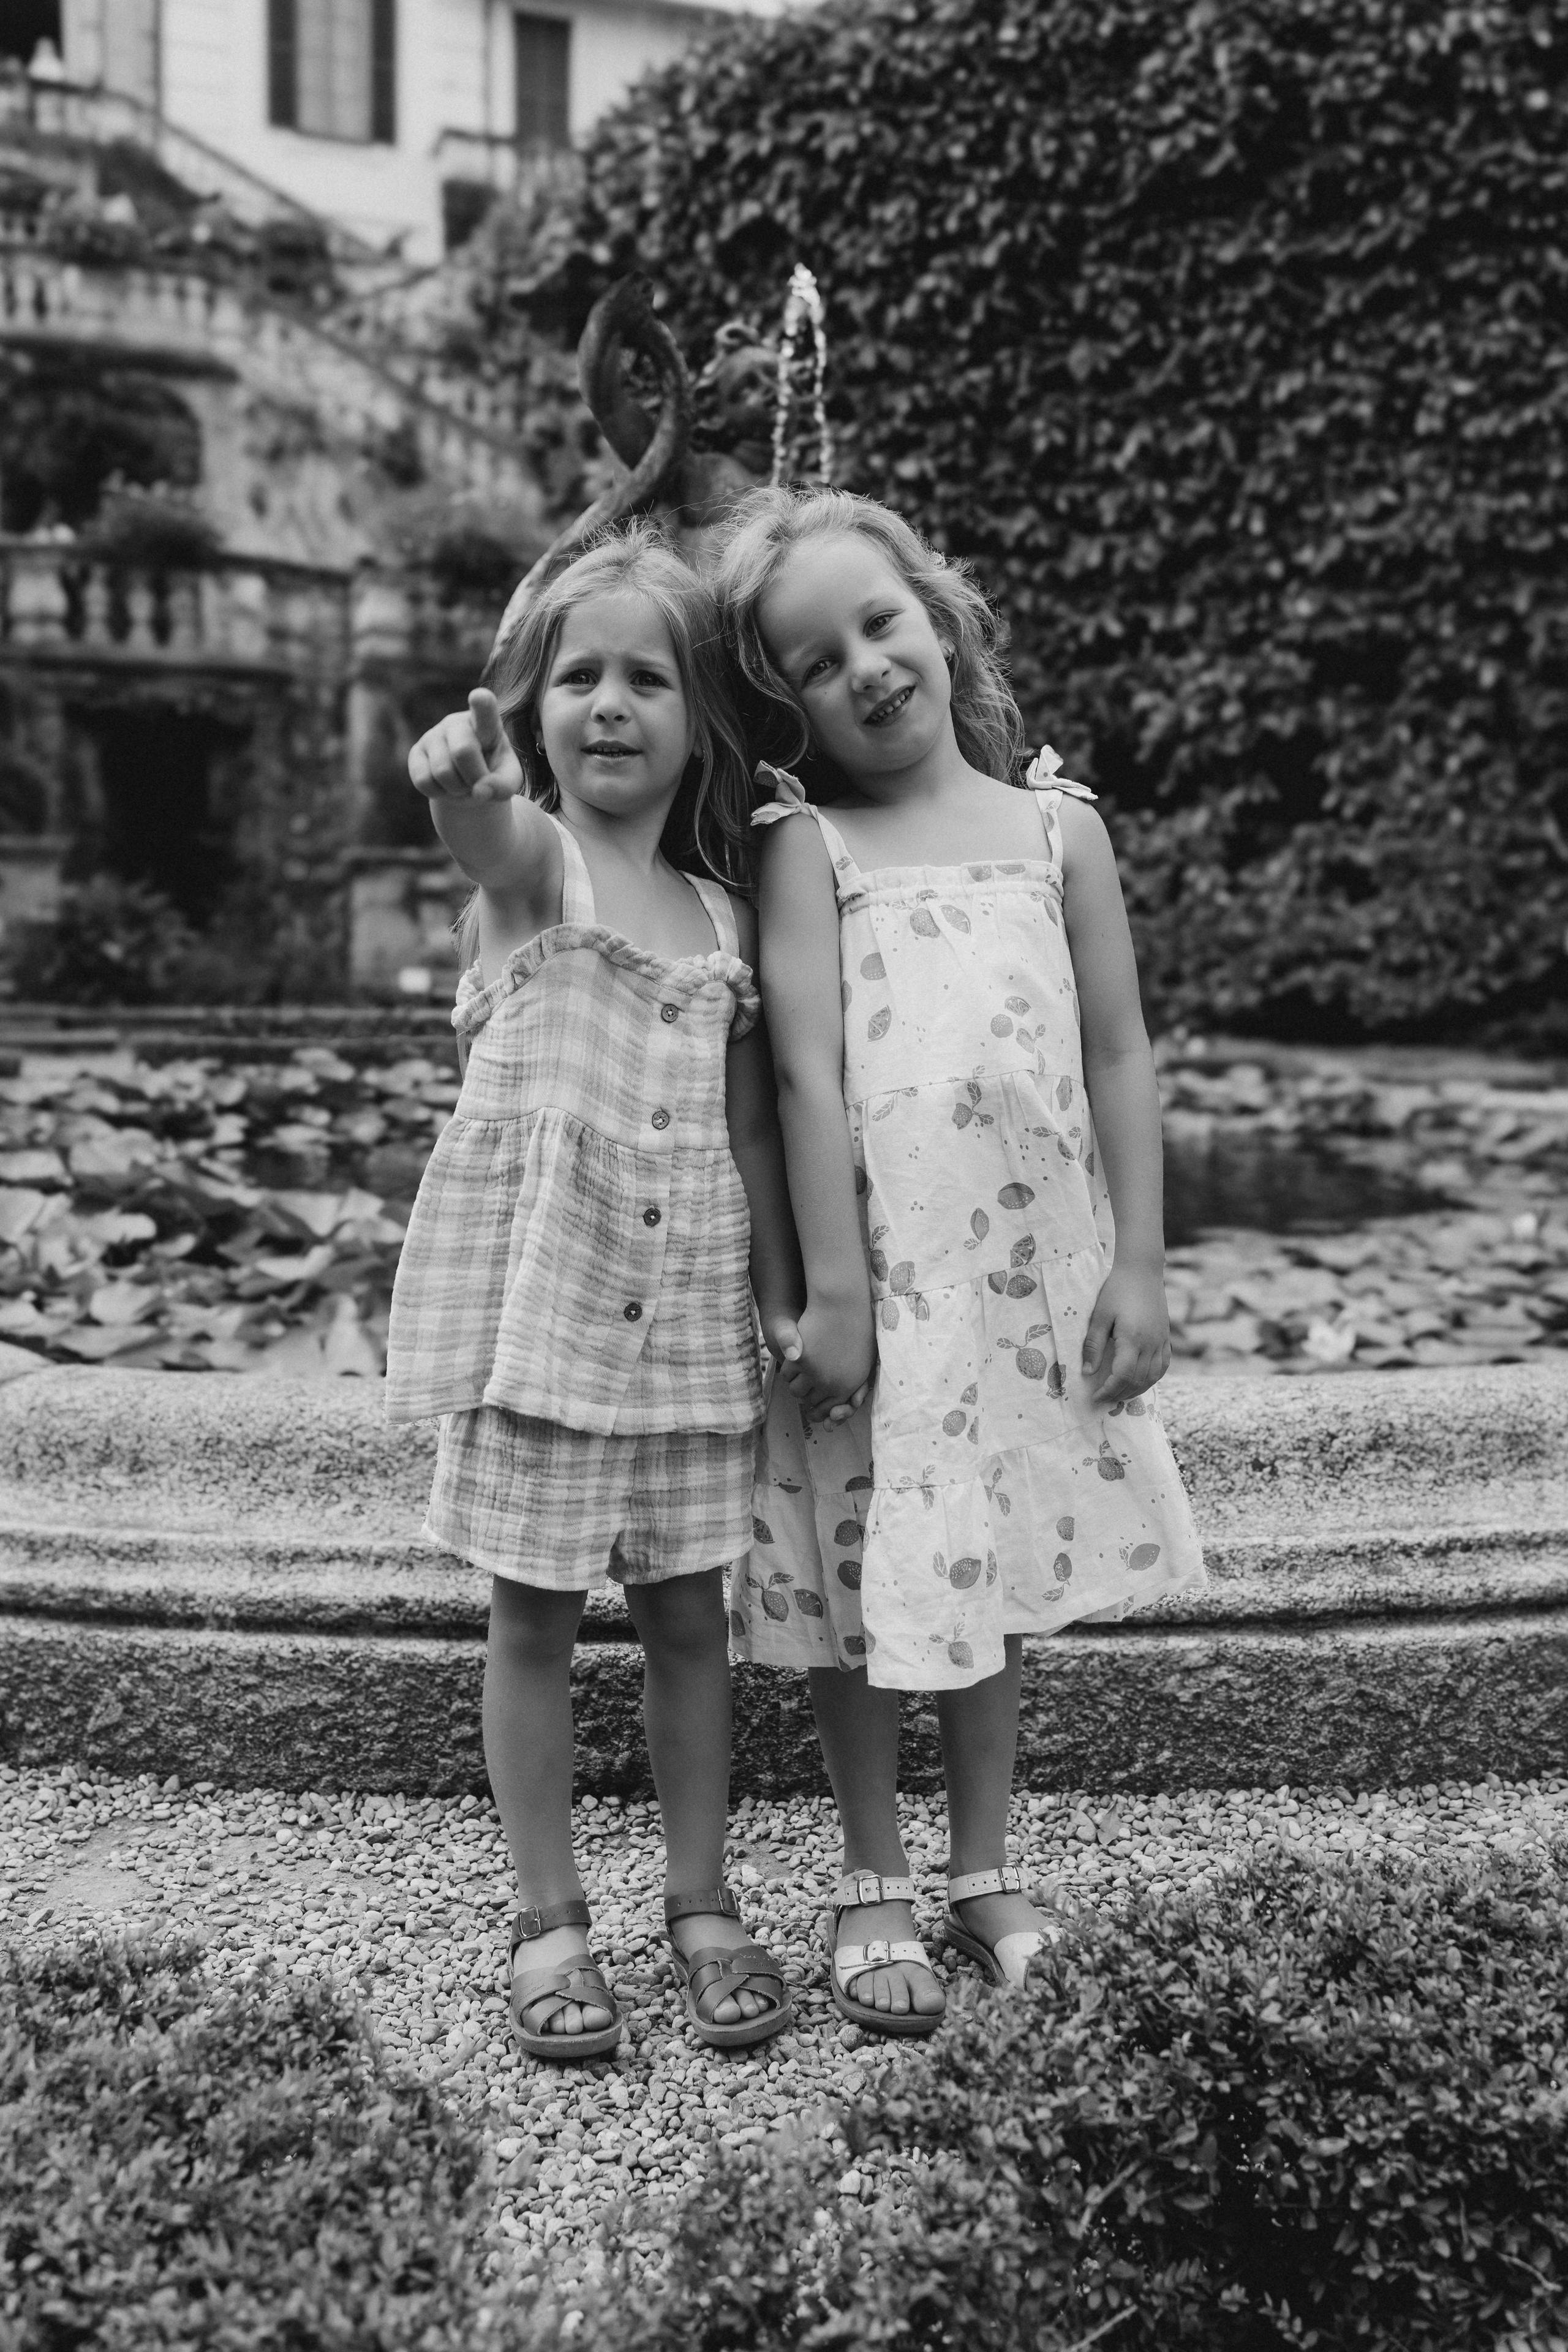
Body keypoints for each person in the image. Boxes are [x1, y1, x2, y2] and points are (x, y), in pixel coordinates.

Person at [713, 485, 1206, 2037]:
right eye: (811, 660)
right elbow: (801, 1075)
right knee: (861, 1586)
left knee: (978, 1578)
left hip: (1016, 1282)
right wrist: (830, 1291)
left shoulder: (1057, 828)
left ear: (938, 615)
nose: (861, 665)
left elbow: (1117, 1051)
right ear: (781, 705)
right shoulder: (811, 847)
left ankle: (985, 1865)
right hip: (885, 1286)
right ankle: (871, 1874)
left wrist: (1136, 1267)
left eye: (879, 622)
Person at [388, 523, 801, 2061]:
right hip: (545, 1312)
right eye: (578, 677)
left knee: (692, 1621)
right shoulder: (534, 864)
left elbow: (751, 1128)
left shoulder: (722, 913)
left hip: (686, 1315)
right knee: (536, 1623)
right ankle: (549, 1918)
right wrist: (460, 783)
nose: (609, 704)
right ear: (534, 705)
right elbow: (484, 834)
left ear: (697, 715)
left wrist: (783, 1298)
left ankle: (700, 1903)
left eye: (645, 677)